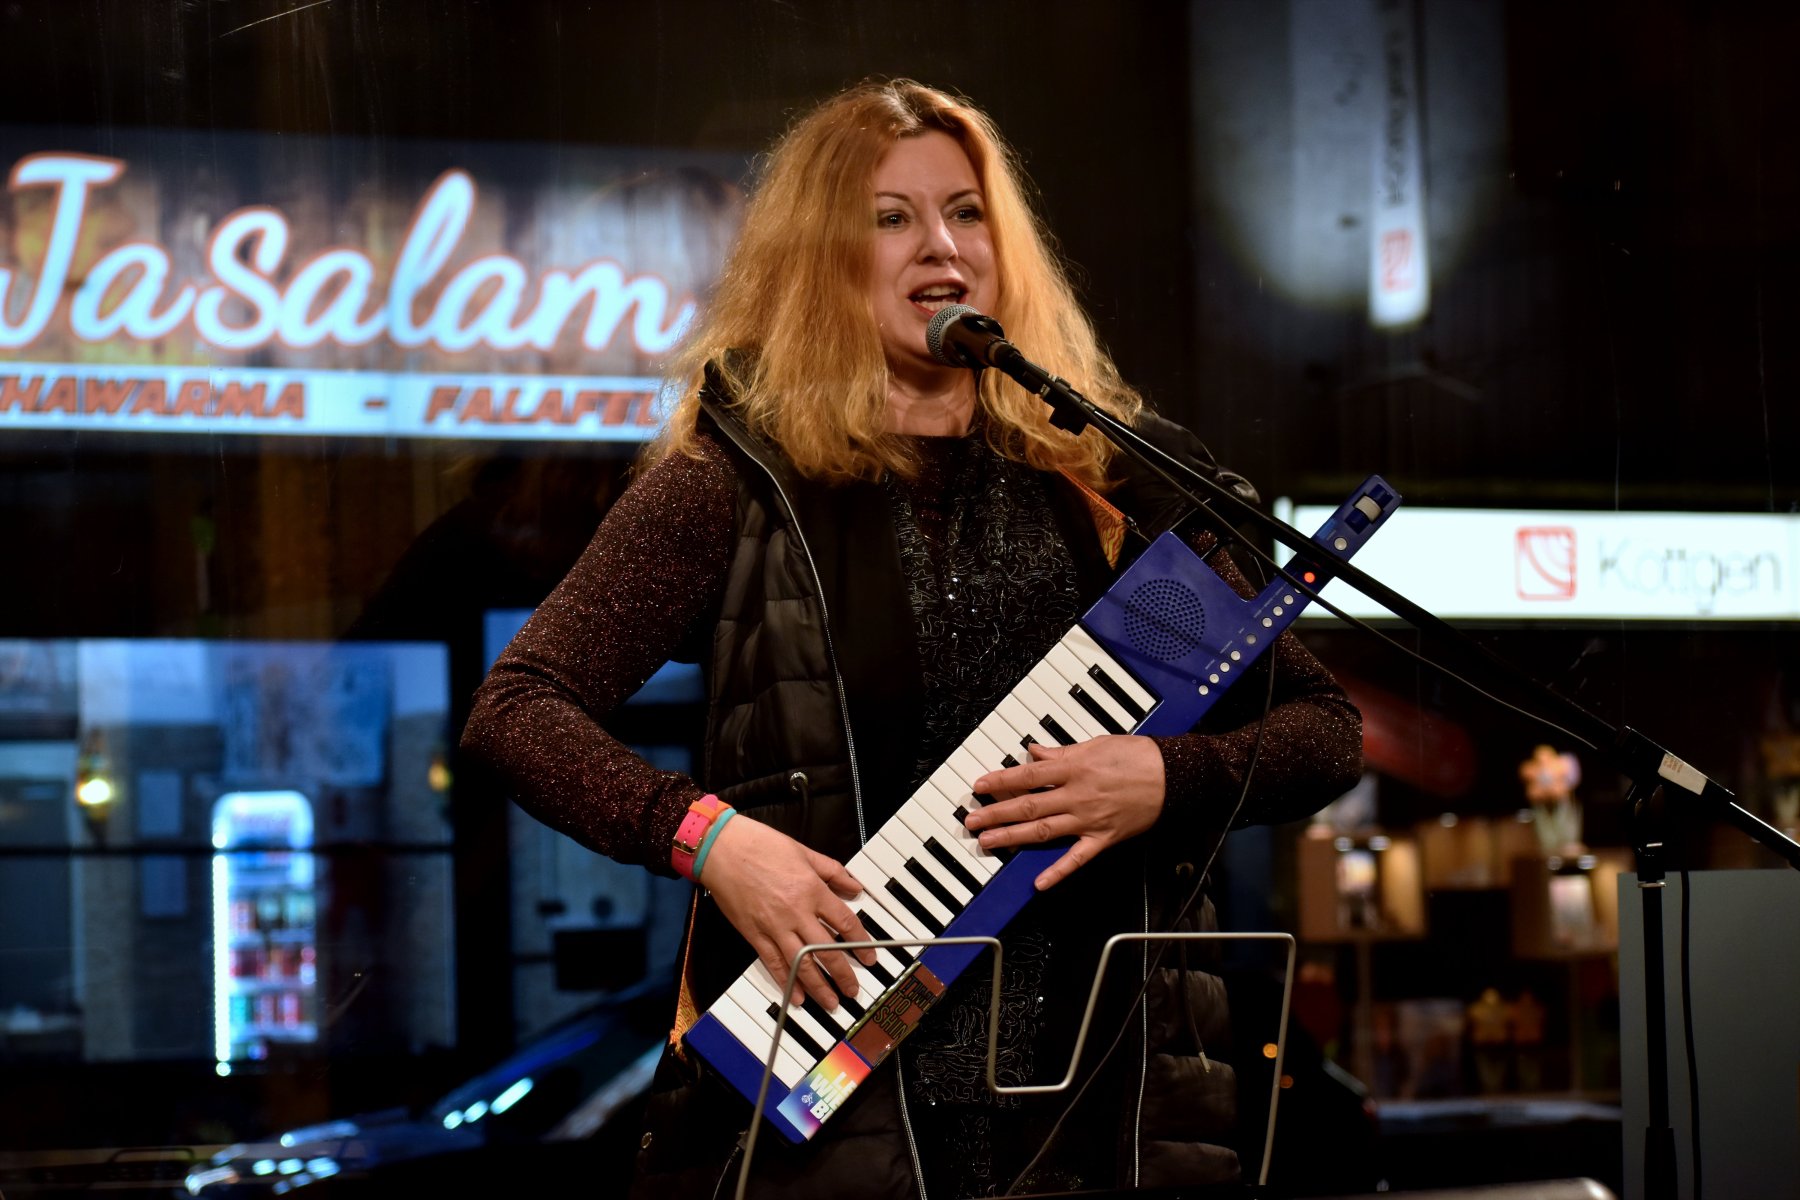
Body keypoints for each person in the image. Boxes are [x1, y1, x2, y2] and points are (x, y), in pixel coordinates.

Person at [461, 79, 1362, 1200]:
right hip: (837, 1107)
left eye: (966, 211)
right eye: (892, 217)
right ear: (819, 256)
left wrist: (1167, 779)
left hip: (1102, 1109)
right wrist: (712, 841)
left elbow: (1326, 730)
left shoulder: (1107, 480)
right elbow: (517, 710)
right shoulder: (737, 482)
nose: (942, 245)